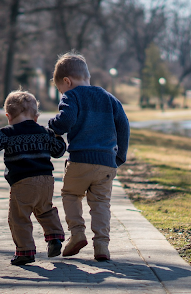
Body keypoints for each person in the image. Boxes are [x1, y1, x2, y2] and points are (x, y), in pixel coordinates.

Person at [0, 89, 67, 266]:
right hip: (46, 181)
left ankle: (25, 251)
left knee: (19, 217)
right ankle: (54, 238)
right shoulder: (43, 132)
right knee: (45, 209)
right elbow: (58, 151)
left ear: (8, 116)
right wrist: (59, 138)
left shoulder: (7, 133)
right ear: (35, 116)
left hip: (23, 182)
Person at [48, 51, 129, 261]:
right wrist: (120, 156)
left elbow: (65, 121)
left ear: (67, 81)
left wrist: (52, 125)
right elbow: (124, 125)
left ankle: (77, 233)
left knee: (70, 194)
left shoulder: (71, 96)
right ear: (87, 77)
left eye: (60, 89)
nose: (61, 93)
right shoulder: (108, 97)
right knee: (101, 203)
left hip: (80, 160)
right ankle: (102, 246)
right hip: (106, 163)